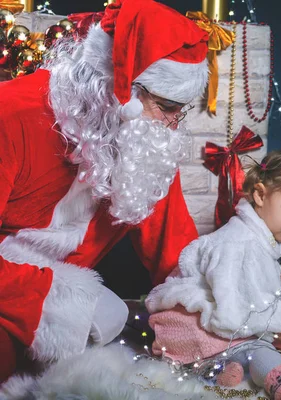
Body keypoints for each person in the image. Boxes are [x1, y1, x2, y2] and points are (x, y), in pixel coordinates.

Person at [0, 0, 209, 383]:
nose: (172, 125)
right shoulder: (12, 113)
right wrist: (57, 300)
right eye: (165, 107)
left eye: (181, 110)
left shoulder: (146, 141)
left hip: (67, 319)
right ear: (122, 88)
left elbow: (173, 248)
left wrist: (211, 320)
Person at [145, 149, 281, 400]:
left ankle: (219, 371)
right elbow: (233, 312)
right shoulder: (236, 242)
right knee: (257, 348)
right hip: (189, 324)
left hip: (237, 331)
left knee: (267, 350)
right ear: (259, 194)